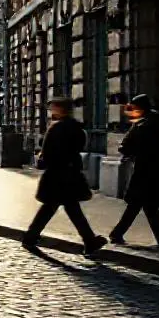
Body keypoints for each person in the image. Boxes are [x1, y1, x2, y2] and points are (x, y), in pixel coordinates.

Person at [22, 96, 107, 257]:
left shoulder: (56, 128)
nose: (51, 111)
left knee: (52, 208)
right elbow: (80, 146)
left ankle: (31, 237)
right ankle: (89, 241)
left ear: (60, 109)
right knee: (68, 208)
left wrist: (42, 161)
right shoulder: (76, 128)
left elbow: (46, 151)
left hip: (56, 174)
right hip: (70, 174)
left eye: (54, 107)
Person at [109, 94, 159, 248]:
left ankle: (118, 233)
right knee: (145, 204)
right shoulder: (154, 121)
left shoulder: (143, 124)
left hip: (144, 169)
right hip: (152, 168)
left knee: (139, 203)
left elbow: (126, 146)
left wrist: (129, 151)